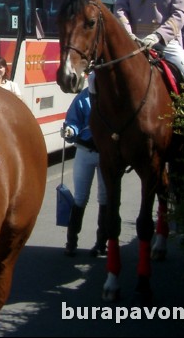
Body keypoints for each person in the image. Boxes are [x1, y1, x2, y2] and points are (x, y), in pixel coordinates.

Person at [60, 84, 107, 257]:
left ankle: (101, 242)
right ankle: (71, 241)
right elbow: (73, 120)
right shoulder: (83, 97)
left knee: (104, 197)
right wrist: (70, 129)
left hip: (106, 155)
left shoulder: (113, 96)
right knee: (80, 197)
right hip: (84, 151)